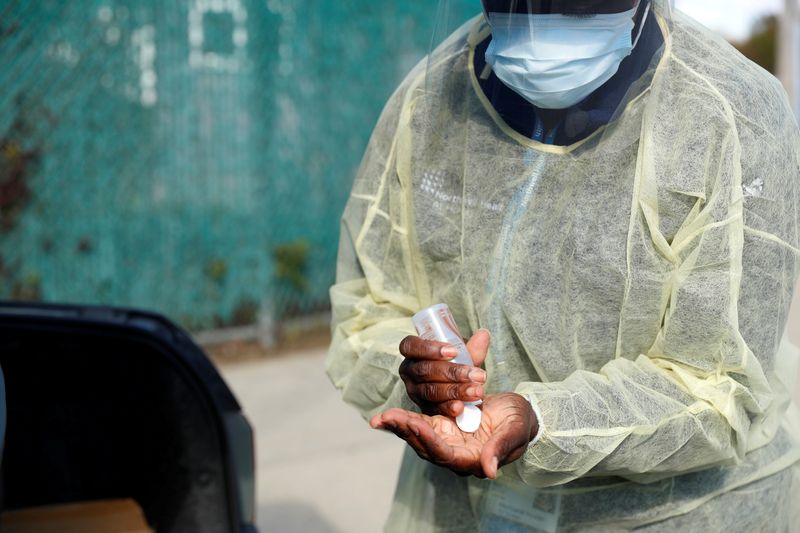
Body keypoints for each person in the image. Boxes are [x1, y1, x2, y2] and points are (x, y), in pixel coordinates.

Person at [326, 0, 800, 530]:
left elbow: (718, 385)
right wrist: (423, 376)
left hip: (680, 514)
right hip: (471, 510)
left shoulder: (729, 111)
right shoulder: (433, 97)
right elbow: (368, 308)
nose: (540, 11)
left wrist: (542, 422)